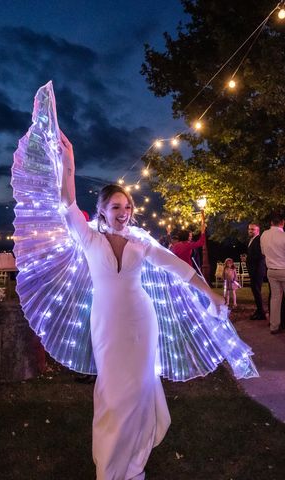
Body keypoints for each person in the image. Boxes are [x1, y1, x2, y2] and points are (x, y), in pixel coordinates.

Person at [59, 130, 226, 480]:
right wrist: (69, 164)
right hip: (107, 322)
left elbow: (178, 268)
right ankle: (109, 465)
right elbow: (67, 203)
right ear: (103, 210)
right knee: (112, 393)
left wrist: (210, 293)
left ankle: (134, 464)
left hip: (141, 322)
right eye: (116, 207)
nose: (124, 212)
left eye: (128, 207)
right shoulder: (88, 237)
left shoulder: (140, 243)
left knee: (137, 391)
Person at [260, 212, 285, 334]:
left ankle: (274, 326)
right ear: (282, 222)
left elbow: (263, 252)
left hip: (271, 271)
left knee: (275, 298)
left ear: (271, 222)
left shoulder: (264, 235)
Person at [246, 223, 267, 320]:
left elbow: (260, 255)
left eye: (253, 229)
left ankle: (261, 313)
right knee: (255, 290)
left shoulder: (258, 240)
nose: (250, 231)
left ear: (258, 231)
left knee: (256, 291)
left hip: (257, 270)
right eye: (249, 229)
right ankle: (259, 310)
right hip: (254, 269)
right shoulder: (252, 240)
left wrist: (248, 259)